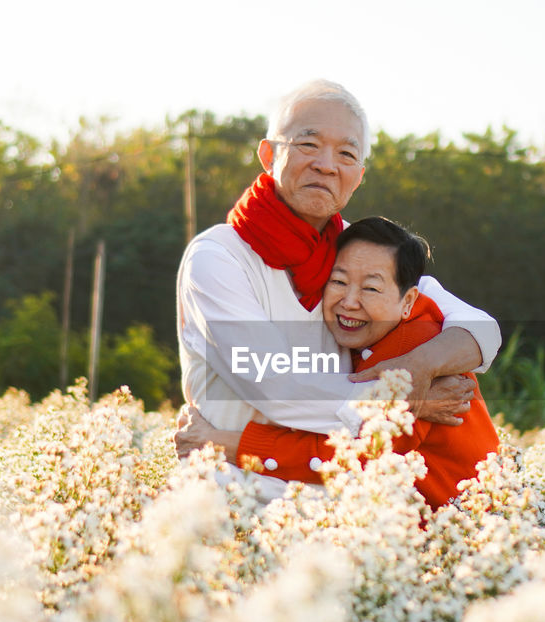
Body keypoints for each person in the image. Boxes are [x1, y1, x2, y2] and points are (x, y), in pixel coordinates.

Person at [175, 80, 499, 498]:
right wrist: (402, 404)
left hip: (330, 506)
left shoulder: (355, 250)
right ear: (269, 154)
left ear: (358, 177)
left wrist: (420, 366)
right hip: (231, 495)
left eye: (346, 154)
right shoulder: (218, 257)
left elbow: (480, 327)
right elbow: (279, 388)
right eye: (307, 145)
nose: (326, 165)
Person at [178, 217, 499, 509]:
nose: (349, 302)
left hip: (456, 537)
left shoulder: (415, 342)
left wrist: (222, 444)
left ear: (407, 302)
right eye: (338, 282)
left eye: (370, 288)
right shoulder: (374, 333)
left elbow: (344, 457)